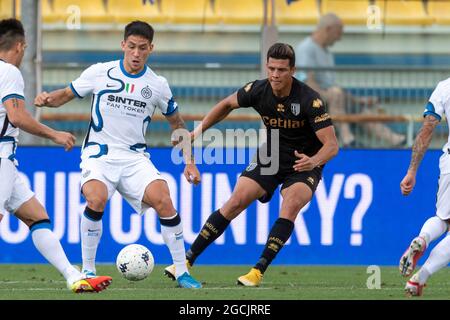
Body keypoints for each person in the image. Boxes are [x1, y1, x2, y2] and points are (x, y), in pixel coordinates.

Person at [34, 21, 202, 289]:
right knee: (96, 198)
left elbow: (177, 125)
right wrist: (46, 98)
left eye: (143, 48)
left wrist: (190, 162)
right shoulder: (101, 72)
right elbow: (65, 94)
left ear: (151, 49)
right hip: (99, 155)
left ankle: (181, 272)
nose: (136, 53)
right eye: (132, 47)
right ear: (123, 45)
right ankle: (88, 270)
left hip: (135, 159)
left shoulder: (157, 85)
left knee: (164, 199)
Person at [164, 43, 339, 286]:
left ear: (293, 70)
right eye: (271, 68)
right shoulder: (258, 89)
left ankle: (257, 272)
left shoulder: (309, 100)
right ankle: (185, 262)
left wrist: (314, 161)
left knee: (290, 205)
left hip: (304, 163)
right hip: (271, 156)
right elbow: (226, 104)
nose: (275, 75)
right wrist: (198, 131)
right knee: (235, 201)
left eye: (281, 70)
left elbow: (332, 145)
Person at [0, 18, 112, 293]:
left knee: (36, 216)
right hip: (0, 157)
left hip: (8, 162)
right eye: (25, 47)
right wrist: (55, 134)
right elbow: (16, 116)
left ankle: (72, 276)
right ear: (20, 46)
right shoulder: (9, 72)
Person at [295, 13, 405, 148]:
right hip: (312, 99)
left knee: (360, 108)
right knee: (336, 94)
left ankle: (395, 139)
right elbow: (306, 82)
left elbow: (331, 85)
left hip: (330, 98)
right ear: (328, 29)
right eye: (338, 33)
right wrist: (331, 94)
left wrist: (357, 100)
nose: (339, 38)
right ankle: (347, 138)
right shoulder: (307, 49)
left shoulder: (327, 52)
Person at [399, 77, 450, 297]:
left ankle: (423, 238)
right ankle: (422, 276)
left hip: (449, 161)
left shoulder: (444, 87)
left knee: (443, 218)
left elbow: (427, 129)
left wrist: (411, 171)